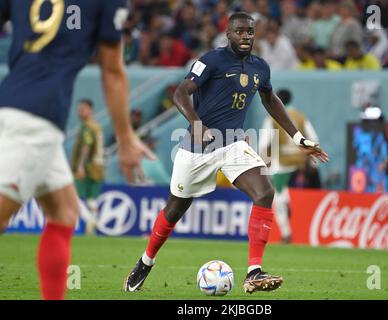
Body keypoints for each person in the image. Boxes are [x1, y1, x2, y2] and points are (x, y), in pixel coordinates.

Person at [124, 12, 328, 294]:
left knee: (265, 192)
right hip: (198, 149)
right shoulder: (210, 61)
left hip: (233, 144)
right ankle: (145, 262)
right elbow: (180, 93)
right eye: (240, 31)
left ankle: (254, 272)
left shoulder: (260, 67)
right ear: (228, 34)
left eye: (250, 31)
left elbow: (270, 98)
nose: (246, 36)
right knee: (174, 209)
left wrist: (299, 137)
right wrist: (196, 124)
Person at [0, 0, 152, 300]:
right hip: (38, 119)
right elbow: (111, 67)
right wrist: (125, 138)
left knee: (65, 212)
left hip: (11, 102)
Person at [259, 89, 320, 244]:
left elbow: (264, 143)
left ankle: (286, 233)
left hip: (280, 163)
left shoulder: (272, 117)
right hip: (299, 162)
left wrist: (263, 165)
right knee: (282, 191)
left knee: (276, 197)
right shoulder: (300, 117)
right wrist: (312, 159)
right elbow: (313, 138)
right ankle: (286, 201)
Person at [71, 99, 105, 234]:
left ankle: (90, 220)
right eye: (79, 110)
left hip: (88, 166)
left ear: (90, 110)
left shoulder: (88, 127)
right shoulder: (97, 126)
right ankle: (92, 226)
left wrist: (80, 166)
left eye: (83, 109)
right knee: (92, 199)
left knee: (72, 195)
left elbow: (87, 145)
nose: (80, 112)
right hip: (98, 166)